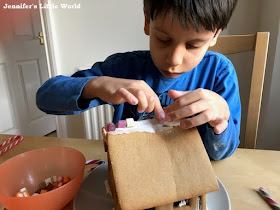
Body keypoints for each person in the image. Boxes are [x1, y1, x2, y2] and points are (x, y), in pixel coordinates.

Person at [36, 0, 240, 160]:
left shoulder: (219, 72)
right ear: (147, 21)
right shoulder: (124, 68)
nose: (175, 60)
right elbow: (45, 97)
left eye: (193, 45)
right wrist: (98, 85)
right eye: (164, 39)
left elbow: (222, 153)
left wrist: (220, 121)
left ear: (215, 35)